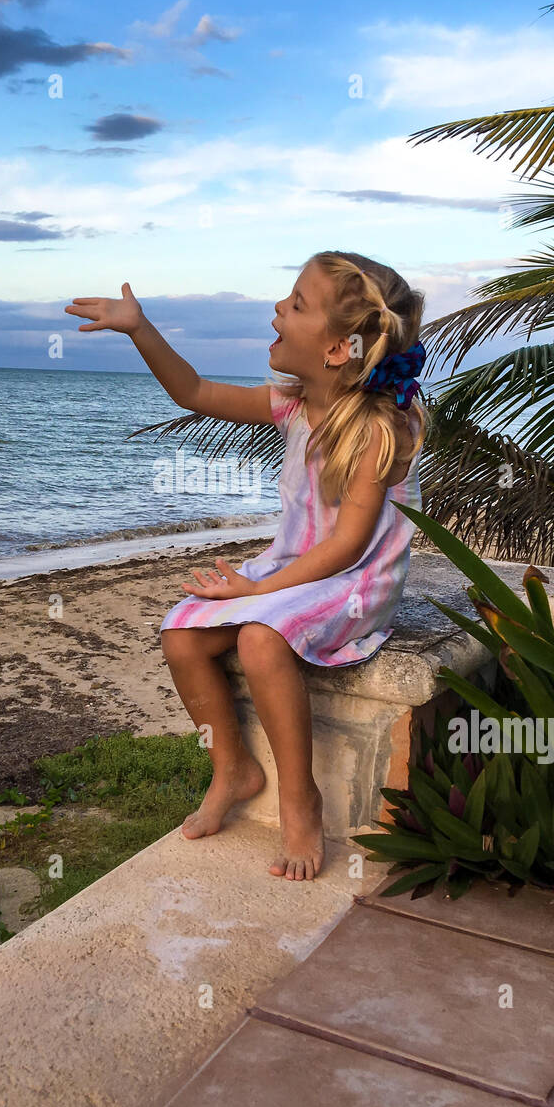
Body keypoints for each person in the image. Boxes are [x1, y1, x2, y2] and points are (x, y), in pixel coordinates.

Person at [63, 250, 429, 882]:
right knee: (181, 632)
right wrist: (139, 327)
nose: (278, 310)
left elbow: (347, 547)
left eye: (296, 304)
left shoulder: (378, 428)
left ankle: (299, 798)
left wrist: (255, 588)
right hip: (295, 567)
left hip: (355, 581)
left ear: (339, 348)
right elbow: (194, 391)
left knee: (261, 640)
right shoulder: (290, 403)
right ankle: (232, 768)